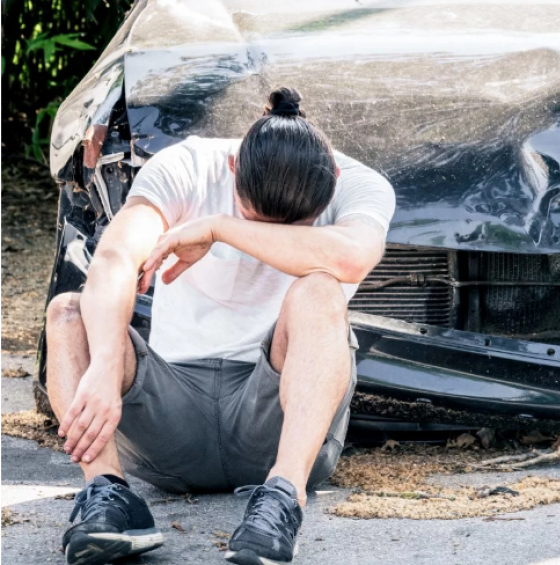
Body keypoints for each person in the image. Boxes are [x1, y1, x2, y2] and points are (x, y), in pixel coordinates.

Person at [45, 87, 395, 565]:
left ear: (331, 177)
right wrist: (106, 362)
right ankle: (110, 495)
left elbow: (351, 257)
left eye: (294, 228)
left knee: (320, 289)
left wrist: (221, 227)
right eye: (255, 218)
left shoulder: (361, 183)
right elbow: (115, 257)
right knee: (68, 312)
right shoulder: (188, 166)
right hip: (172, 420)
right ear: (234, 168)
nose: (276, 235)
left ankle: (281, 502)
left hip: (274, 421)